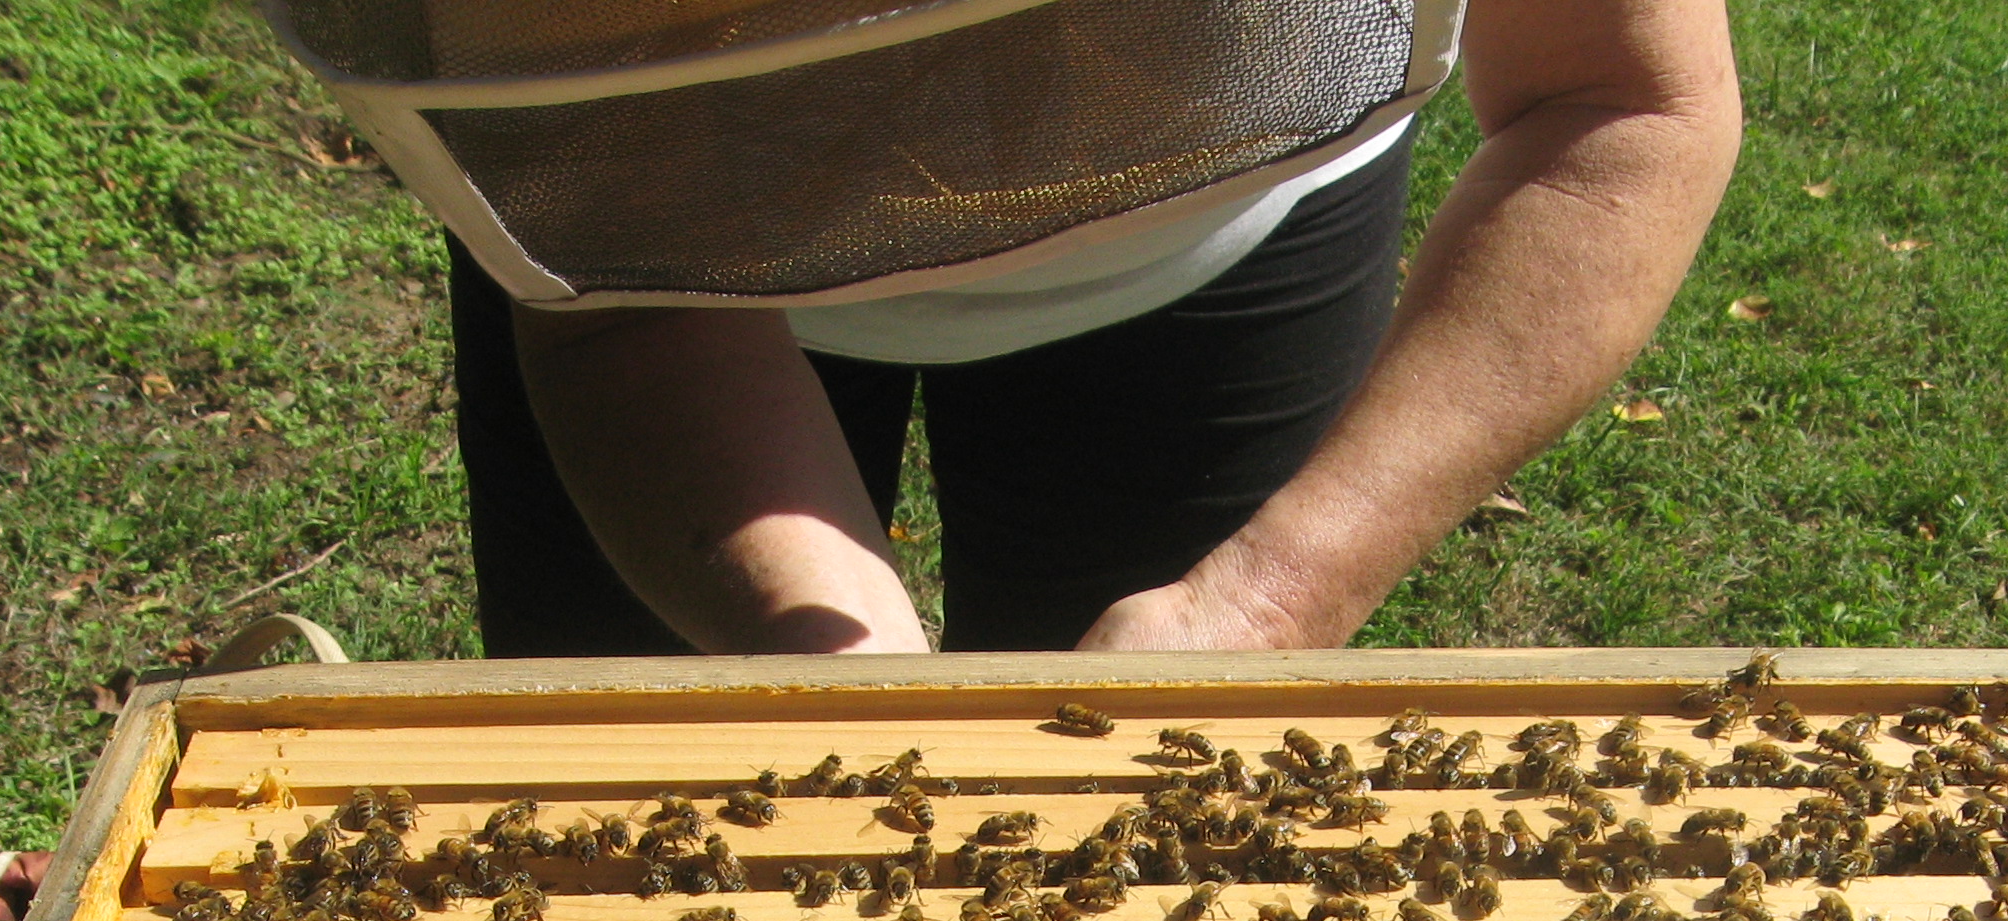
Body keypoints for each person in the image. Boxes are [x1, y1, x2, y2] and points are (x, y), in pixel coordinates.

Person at [272, 0, 1739, 656]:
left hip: (1230, 251)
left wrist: (1270, 599)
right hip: (658, 271)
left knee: (1147, 851)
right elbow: (625, 313)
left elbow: (1620, 104)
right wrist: (835, 662)